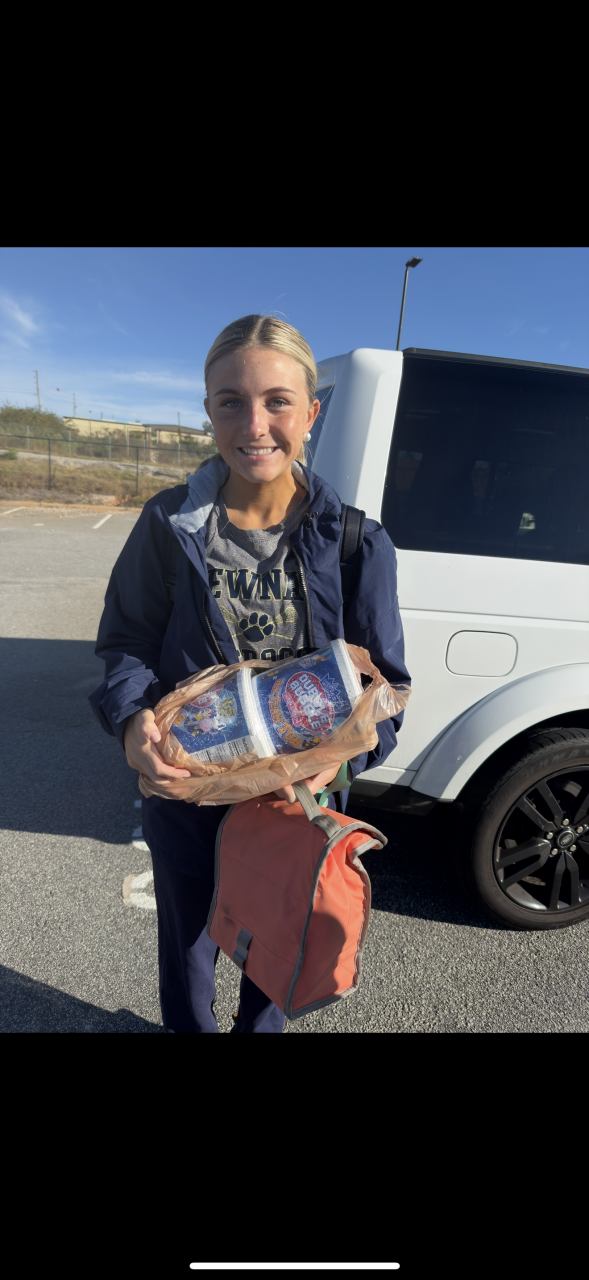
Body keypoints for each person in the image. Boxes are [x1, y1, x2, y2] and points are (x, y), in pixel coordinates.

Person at [90, 315, 410, 1033]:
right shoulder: (168, 525)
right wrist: (132, 722)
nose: (254, 424)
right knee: (187, 962)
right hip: (187, 800)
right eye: (231, 401)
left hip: (293, 812)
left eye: (277, 401)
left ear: (311, 413)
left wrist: (335, 762)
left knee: (274, 964)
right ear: (208, 411)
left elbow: (386, 688)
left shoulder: (356, 542)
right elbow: (127, 643)